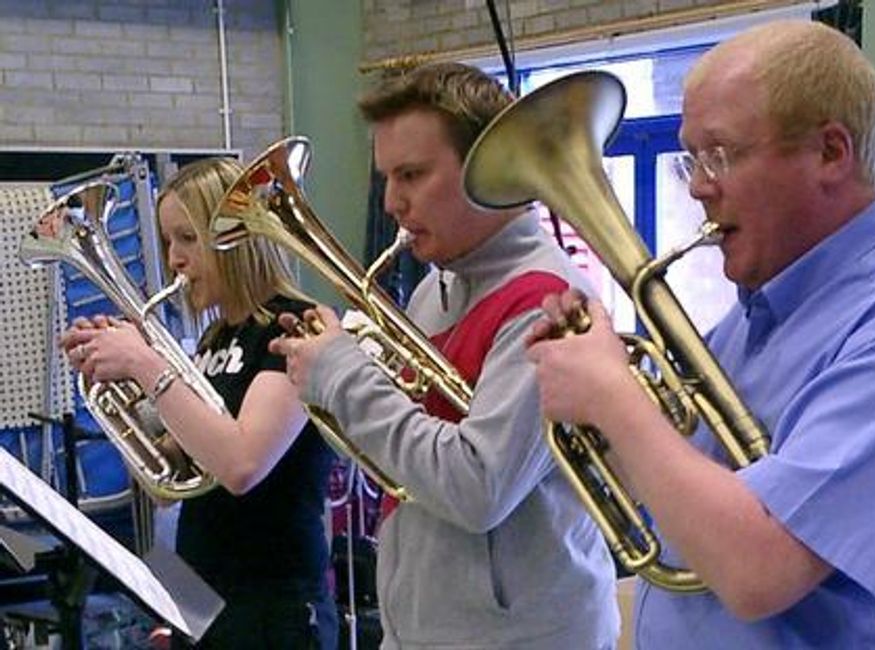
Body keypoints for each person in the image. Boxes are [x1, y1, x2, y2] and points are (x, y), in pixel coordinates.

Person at [526, 19, 875, 649]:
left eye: (721, 154)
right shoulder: (751, 320)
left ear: (831, 153)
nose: (697, 186)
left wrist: (613, 396)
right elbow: (687, 505)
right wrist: (594, 408)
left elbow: (758, 570)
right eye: (691, 158)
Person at [269, 62, 620, 649]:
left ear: (491, 169)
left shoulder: (546, 300)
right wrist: (323, 380)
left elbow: (477, 486)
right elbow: (402, 460)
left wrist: (343, 375)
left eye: (411, 175)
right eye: (386, 177)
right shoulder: (438, 287)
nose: (391, 202)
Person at [60, 157, 339, 649]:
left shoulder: (296, 328)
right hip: (199, 590)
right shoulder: (214, 338)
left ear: (235, 236)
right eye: (169, 242)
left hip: (270, 601)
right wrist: (119, 378)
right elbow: (173, 487)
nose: (174, 260)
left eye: (187, 239)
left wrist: (145, 365)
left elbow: (241, 465)